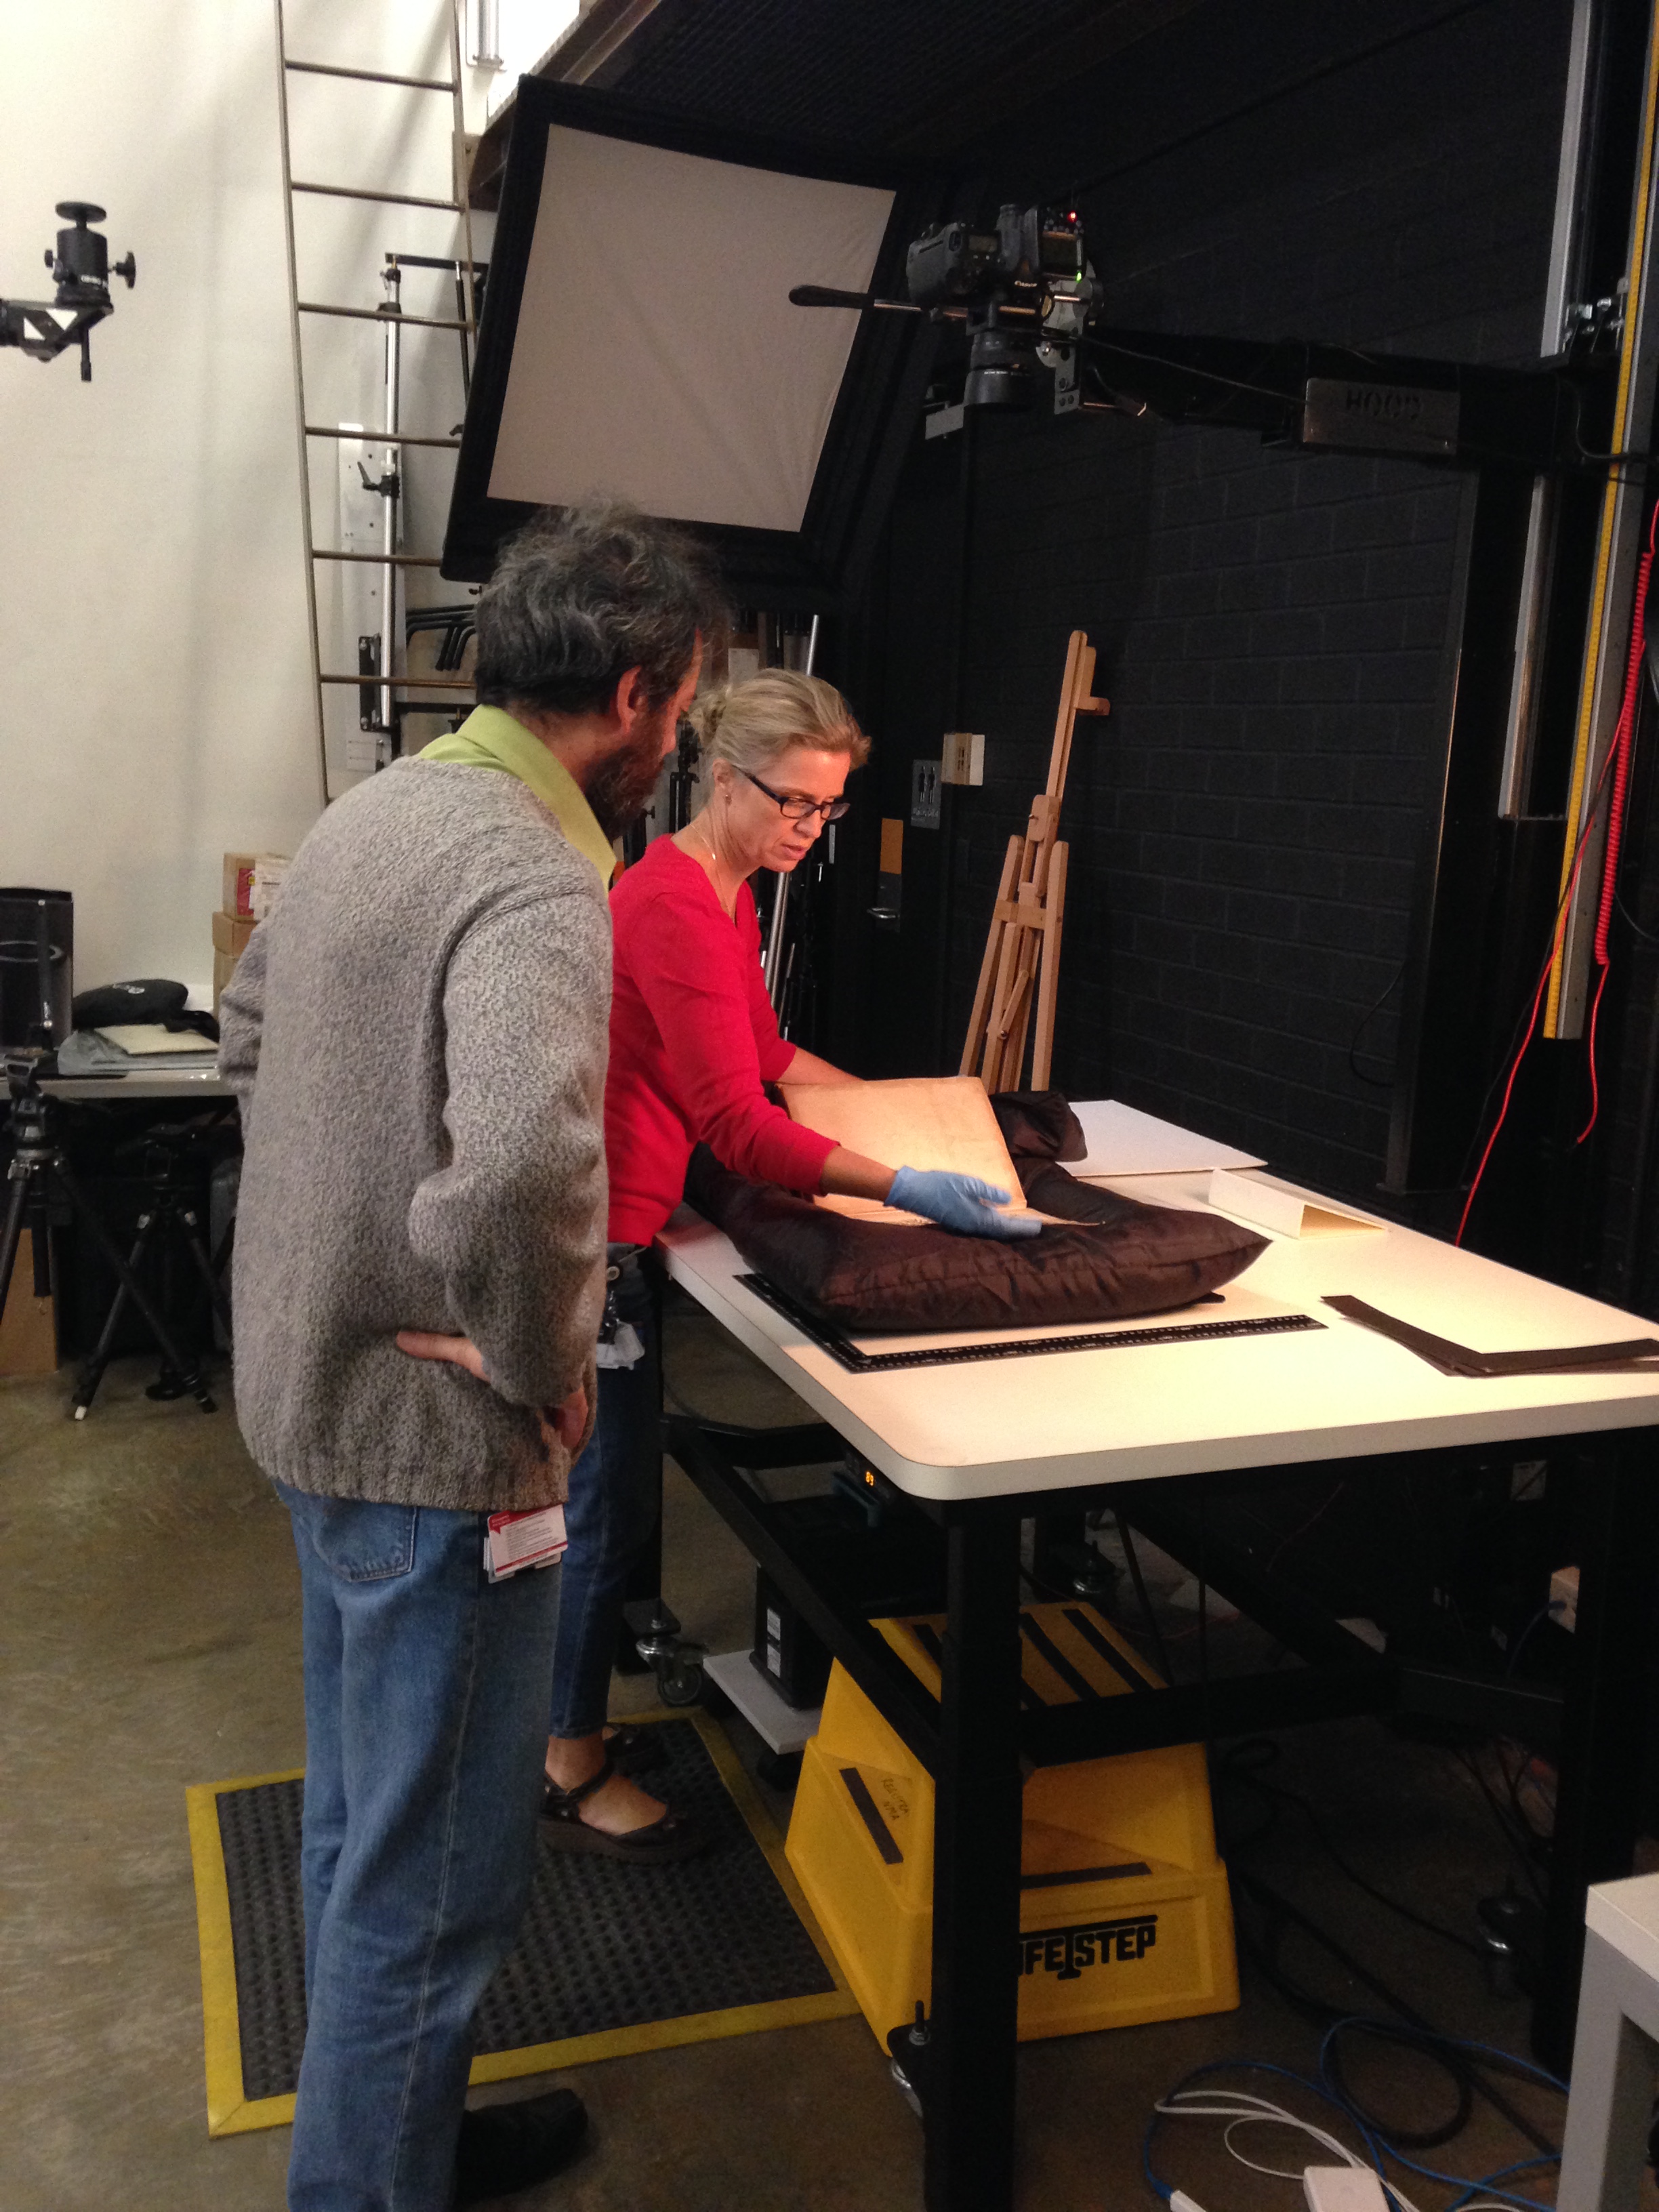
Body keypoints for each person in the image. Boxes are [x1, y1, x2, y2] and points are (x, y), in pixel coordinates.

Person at [218, 500, 720, 2212]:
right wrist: (538, 1360)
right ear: (641, 694)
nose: (681, 747)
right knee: (429, 1886)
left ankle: (396, 2147)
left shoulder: (370, 813)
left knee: (366, 1829)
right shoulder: (531, 867)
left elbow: (250, 1025)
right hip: (437, 1447)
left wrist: (321, 1240)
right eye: (690, 713)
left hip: (313, 1400)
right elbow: (517, 1174)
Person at [540, 668, 1040, 1858]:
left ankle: (570, 1729)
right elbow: (740, 1123)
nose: (809, 834)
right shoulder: (669, 906)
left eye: (828, 812)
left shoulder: (724, 892)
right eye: (794, 806)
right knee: (600, 1516)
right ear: (722, 778)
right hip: (595, 1236)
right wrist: (906, 1184)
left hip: (635, 1217)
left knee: (608, 1500)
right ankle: (565, 1764)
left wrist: (929, 1113)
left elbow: (768, 1052)